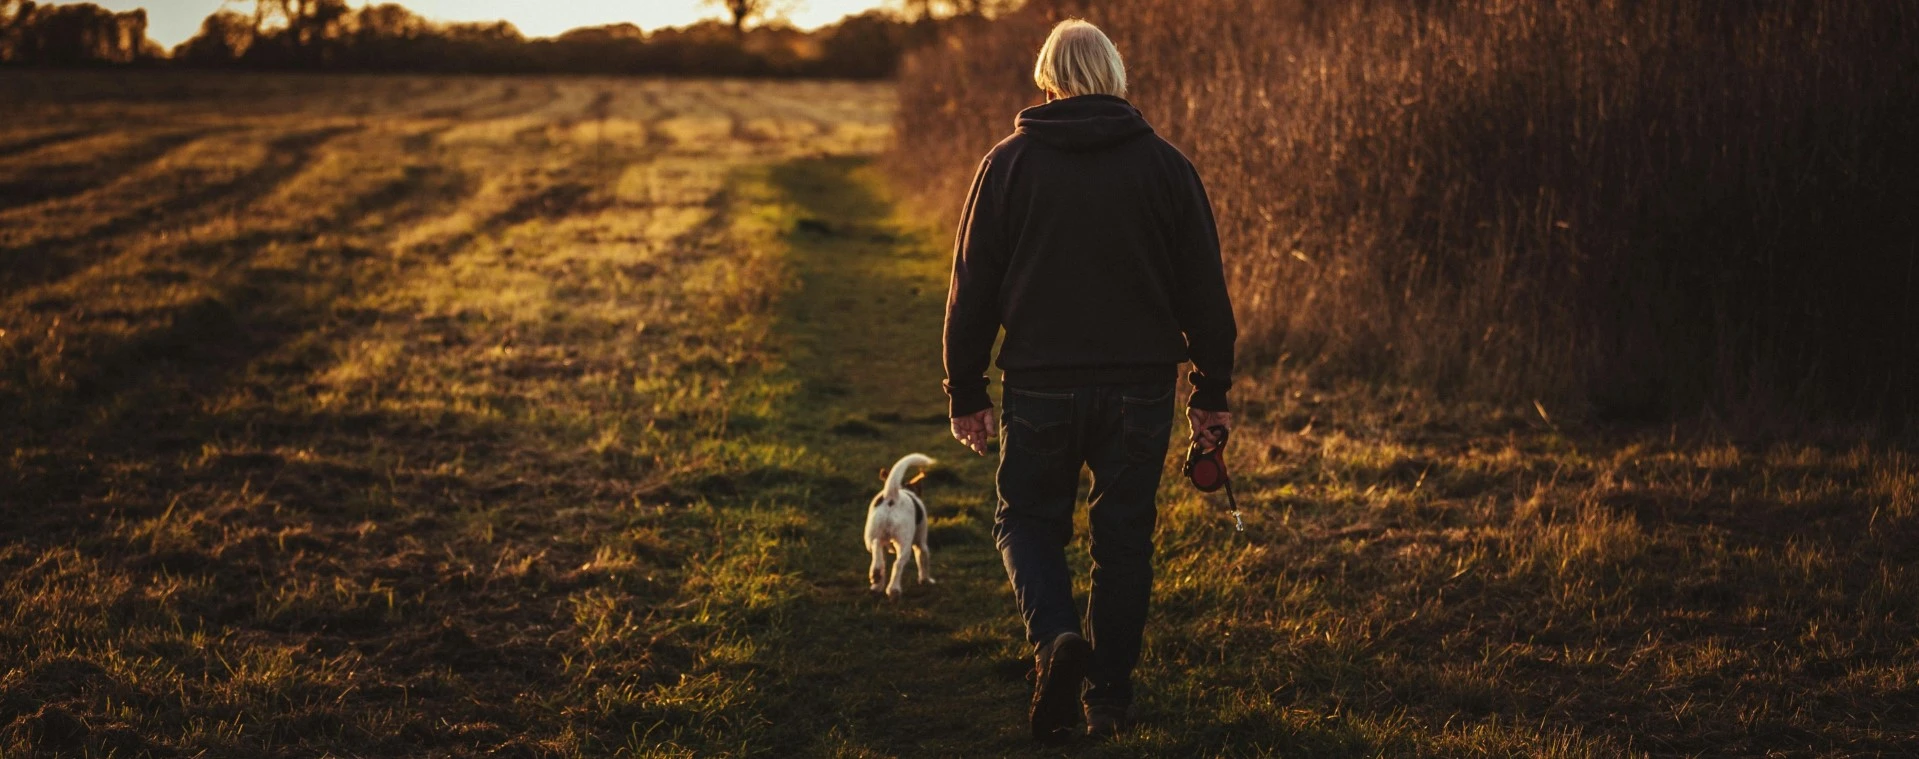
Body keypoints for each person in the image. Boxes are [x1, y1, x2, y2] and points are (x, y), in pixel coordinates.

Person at [941, 18, 1238, 743]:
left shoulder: (1006, 164)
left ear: (1046, 77)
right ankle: (1107, 698)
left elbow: (971, 286)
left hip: (1040, 383)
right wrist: (1210, 391)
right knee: (1123, 541)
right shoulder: (1167, 166)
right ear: (1114, 76)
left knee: (1025, 520)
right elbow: (1206, 291)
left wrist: (967, 389)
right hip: (1140, 387)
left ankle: (1055, 642)